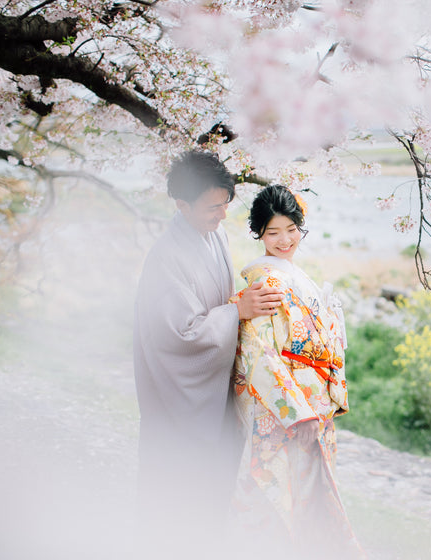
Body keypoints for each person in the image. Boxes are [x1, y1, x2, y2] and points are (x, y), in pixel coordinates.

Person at [132, 150, 282, 554]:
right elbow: (180, 337)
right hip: (179, 399)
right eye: (212, 207)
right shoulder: (166, 258)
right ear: (182, 205)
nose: (221, 215)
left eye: (224, 205)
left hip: (213, 394)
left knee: (213, 495)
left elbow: (219, 304)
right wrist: (237, 310)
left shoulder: (214, 236)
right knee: (178, 498)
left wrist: (243, 306)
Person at [231, 185, 362, 557]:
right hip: (287, 410)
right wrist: (295, 413)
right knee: (284, 497)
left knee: (308, 494)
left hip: (311, 403)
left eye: (291, 229)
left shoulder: (292, 273)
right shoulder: (268, 281)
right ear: (258, 233)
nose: (284, 240)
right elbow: (258, 352)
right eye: (273, 232)